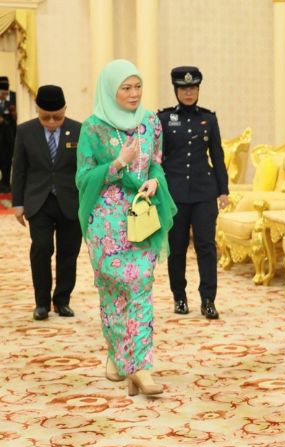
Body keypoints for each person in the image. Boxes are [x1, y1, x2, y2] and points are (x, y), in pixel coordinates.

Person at [76, 59, 177, 396]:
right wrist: (118, 163)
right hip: (105, 222)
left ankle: (141, 367)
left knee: (141, 285)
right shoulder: (93, 128)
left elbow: (157, 165)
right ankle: (117, 354)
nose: (134, 94)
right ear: (110, 90)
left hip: (140, 216)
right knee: (112, 290)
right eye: (126, 88)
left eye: (138, 87)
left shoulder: (151, 122)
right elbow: (83, 178)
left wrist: (154, 181)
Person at [158, 66, 228, 319]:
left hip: (203, 193)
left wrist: (223, 190)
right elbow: (157, 157)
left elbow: (217, 156)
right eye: (184, 88)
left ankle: (208, 299)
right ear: (176, 90)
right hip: (174, 194)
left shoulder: (208, 119)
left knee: (206, 246)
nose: (189, 93)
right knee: (176, 248)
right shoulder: (164, 119)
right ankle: (179, 297)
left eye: (193, 88)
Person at [11, 85, 82, 321]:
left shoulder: (79, 130)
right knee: (41, 249)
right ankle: (41, 303)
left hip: (71, 201)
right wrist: (18, 203)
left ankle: (62, 301)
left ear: (65, 109)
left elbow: (85, 168)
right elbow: (19, 169)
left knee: (68, 253)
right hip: (38, 201)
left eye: (57, 117)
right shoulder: (25, 131)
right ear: (37, 110)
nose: (52, 122)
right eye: (46, 117)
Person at [0, 76, 16, 192]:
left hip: (8, 137)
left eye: (6, 94)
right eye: (3, 94)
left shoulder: (12, 99)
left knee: (7, 161)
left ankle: (5, 183)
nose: (5, 96)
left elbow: (14, 120)